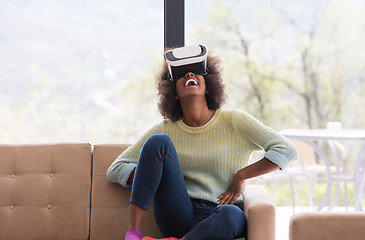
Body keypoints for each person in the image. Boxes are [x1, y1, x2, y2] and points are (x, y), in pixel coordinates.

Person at [106, 45, 298, 240]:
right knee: (158, 142)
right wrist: (156, 173)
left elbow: (287, 150)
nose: (190, 73)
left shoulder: (235, 122)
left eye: (198, 71)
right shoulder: (165, 130)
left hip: (221, 214)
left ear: (208, 85)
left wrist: (241, 176)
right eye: (181, 73)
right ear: (173, 92)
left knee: (232, 215)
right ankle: (133, 235)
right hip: (178, 215)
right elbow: (115, 169)